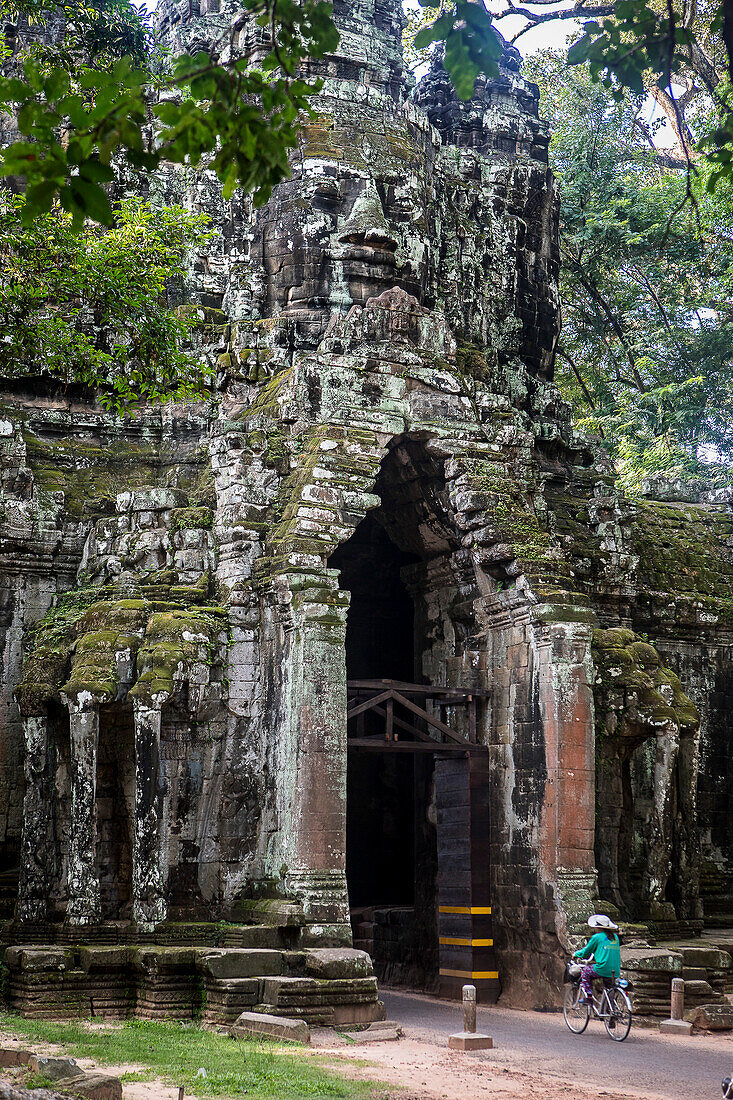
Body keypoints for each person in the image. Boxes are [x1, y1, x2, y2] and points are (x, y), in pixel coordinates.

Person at [573, 913, 621, 1004]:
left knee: (586, 972)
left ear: (598, 927)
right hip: (615, 970)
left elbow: (586, 952)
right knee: (609, 988)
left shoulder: (597, 937)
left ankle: (589, 997)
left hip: (602, 968)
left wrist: (576, 954)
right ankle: (610, 1010)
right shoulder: (615, 937)